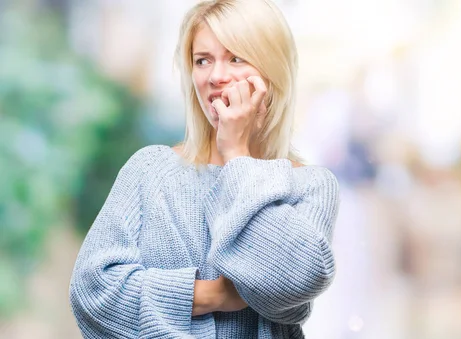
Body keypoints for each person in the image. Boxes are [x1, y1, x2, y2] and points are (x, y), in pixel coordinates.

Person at [68, 0, 340, 338]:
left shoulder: (310, 185)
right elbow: (92, 292)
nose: (216, 76)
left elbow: (294, 280)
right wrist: (206, 295)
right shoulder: (150, 170)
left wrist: (237, 155)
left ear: (273, 70)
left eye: (236, 58)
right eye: (203, 61)